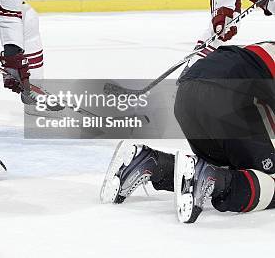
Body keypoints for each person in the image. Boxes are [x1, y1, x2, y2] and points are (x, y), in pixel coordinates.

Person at [101, 41, 275, 223]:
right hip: (227, 97)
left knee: (233, 172)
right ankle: (213, 179)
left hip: (188, 96)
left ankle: (149, 163)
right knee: (268, 179)